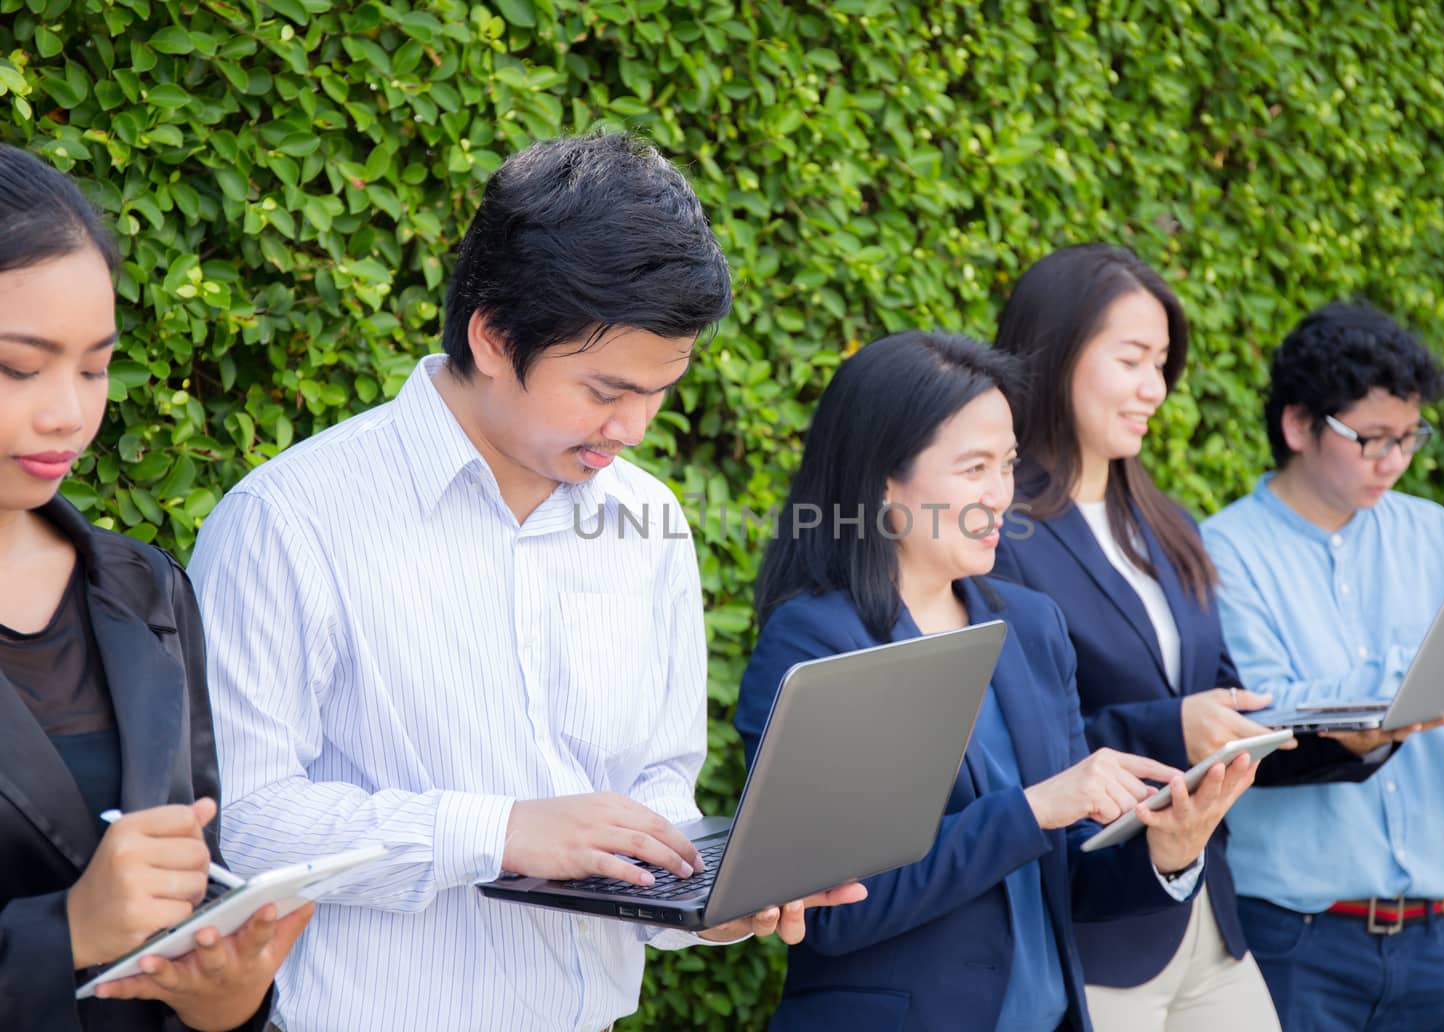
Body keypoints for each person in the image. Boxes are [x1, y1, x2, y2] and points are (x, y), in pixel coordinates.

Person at [187, 133, 862, 1032]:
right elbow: (240, 826)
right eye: (604, 390)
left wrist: (700, 899)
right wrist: (496, 830)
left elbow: (655, 781)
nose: (633, 427)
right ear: (494, 338)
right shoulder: (288, 521)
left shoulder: (647, 521)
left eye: (662, 390)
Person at [734, 329, 1260, 1031]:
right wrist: (1033, 808)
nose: (1000, 495)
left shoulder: (1032, 627)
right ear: (883, 482)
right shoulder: (818, 640)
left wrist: (1171, 851)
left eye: (1007, 465)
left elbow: (1065, 879)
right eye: (973, 467)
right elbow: (836, 910)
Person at [989, 244, 1431, 1031]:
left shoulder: (1165, 526)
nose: (1154, 389)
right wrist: (1174, 726)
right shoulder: (1001, 533)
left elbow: (1230, 712)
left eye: (1162, 363)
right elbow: (1010, 750)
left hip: (1204, 917)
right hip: (1092, 932)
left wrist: (1352, 738)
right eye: (1132, 360)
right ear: (1054, 355)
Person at [1200, 301, 1444, 1030]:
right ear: (1298, 425)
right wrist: (1415, 671)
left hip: (1431, 939)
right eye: (1373, 439)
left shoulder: (1435, 533)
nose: (1396, 460)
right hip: (1294, 938)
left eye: (1410, 437)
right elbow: (1272, 714)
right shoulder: (1223, 552)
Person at [0, 145, 308, 1029]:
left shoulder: (145, 589)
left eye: (94, 366)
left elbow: (188, 899)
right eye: (21, 367)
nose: (68, 411)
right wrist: (65, 933)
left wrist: (227, 997)